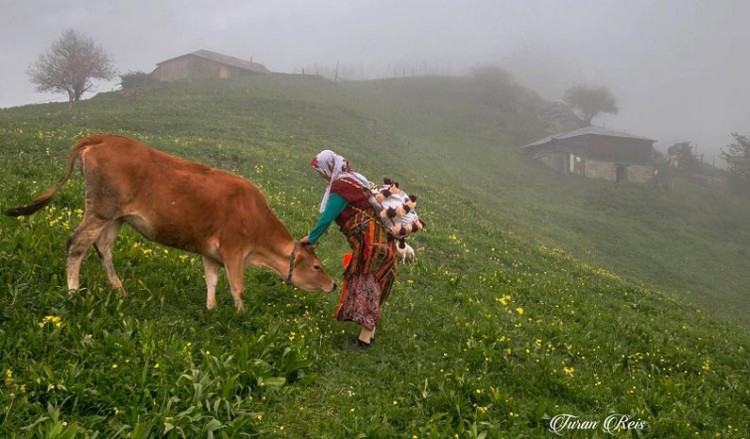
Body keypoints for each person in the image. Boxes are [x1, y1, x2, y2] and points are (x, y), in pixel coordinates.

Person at [300, 150, 397, 350]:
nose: (320, 175)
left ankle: (363, 342)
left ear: (328, 167)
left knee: (366, 286)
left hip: (370, 247)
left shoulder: (341, 186)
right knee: (373, 286)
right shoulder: (355, 181)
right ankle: (368, 336)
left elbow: (328, 217)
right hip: (382, 244)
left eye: (320, 170)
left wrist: (311, 238)